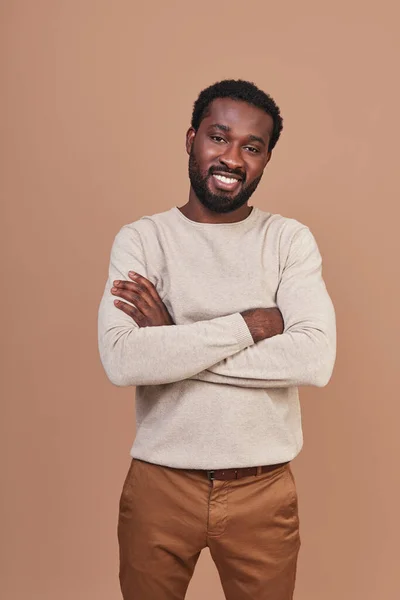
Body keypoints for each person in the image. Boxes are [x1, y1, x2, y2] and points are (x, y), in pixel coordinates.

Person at [97, 79, 337, 600]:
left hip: (263, 489)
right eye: (219, 138)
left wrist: (173, 344)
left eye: (252, 147)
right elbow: (121, 360)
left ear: (266, 159)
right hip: (160, 484)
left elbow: (315, 358)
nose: (232, 158)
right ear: (191, 139)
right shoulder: (143, 239)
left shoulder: (287, 240)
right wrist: (249, 325)